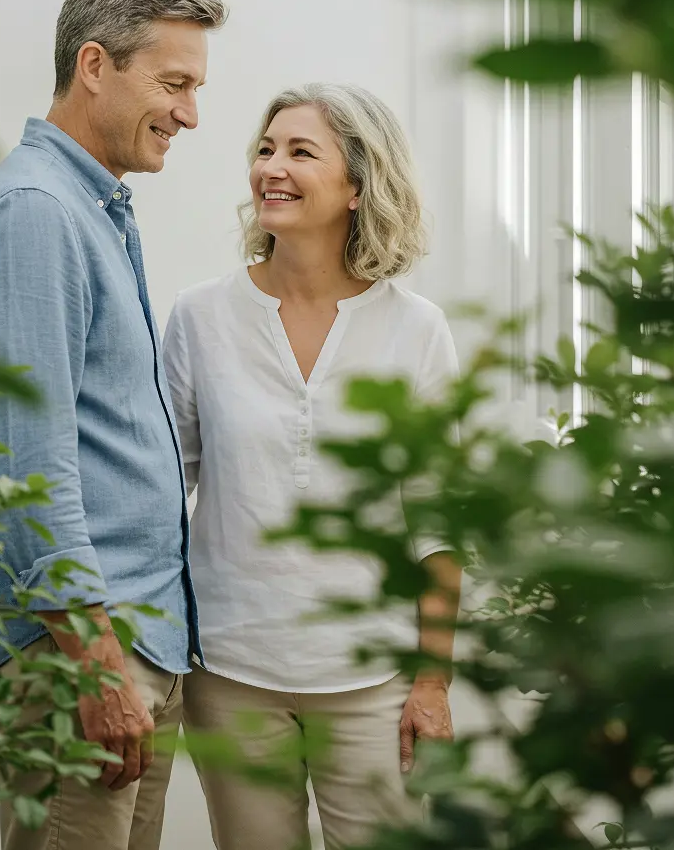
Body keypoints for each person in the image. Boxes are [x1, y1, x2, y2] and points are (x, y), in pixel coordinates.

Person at [0, 0, 227, 850]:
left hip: (122, 646)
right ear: (94, 65)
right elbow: (25, 462)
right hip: (75, 663)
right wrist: (97, 666)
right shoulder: (35, 214)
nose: (190, 112)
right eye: (173, 83)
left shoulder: (89, 205)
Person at [162, 83, 462, 850]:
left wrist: (432, 681)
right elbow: (163, 491)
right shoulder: (200, 318)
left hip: (372, 678)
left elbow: (439, 521)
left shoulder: (416, 330)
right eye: (265, 149)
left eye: (300, 152)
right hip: (230, 671)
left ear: (358, 186)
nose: (272, 168)